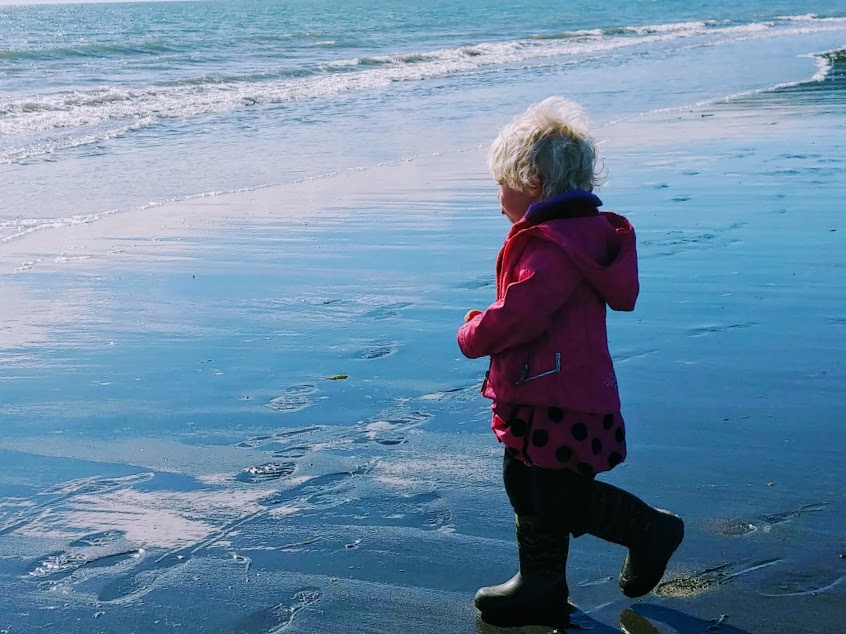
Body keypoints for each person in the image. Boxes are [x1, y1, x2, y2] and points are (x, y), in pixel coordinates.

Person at [457, 97, 684, 629]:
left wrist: (474, 332)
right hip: (544, 392)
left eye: (502, 183)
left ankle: (649, 530)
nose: (498, 196)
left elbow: (523, 313)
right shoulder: (572, 236)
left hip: (561, 397)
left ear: (532, 180)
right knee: (526, 485)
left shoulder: (554, 248)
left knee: (559, 496)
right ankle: (541, 584)